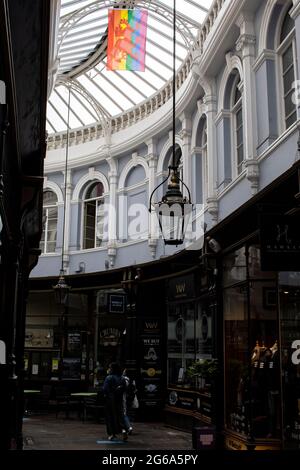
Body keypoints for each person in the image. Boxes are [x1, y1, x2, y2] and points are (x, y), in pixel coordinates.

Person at [103, 362, 128, 441]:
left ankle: (111, 434)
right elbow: (124, 389)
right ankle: (124, 430)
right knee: (120, 415)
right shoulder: (122, 378)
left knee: (110, 417)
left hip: (110, 400)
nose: (109, 369)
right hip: (119, 399)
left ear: (112, 369)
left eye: (110, 368)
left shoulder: (109, 378)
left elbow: (105, 389)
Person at [122, 369, 136, 435]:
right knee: (128, 413)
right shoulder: (132, 380)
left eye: (124, 371)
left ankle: (127, 428)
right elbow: (134, 389)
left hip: (125, 398)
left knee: (124, 413)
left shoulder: (124, 378)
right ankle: (128, 426)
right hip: (130, 398)